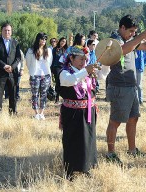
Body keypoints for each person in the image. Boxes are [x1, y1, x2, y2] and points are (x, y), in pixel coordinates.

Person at [105, 14, 146, 164]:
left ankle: (132, 149)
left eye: (135, 32)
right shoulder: (114, 39)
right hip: (119, 86)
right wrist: (139, 37)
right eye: (131, 31)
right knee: (115, 121)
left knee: (133, 118)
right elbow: (122, 50)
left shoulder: (130, 40)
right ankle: (110, 153)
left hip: (131, 86)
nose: (133, 34)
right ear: (122, 27)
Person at [59, 46, 97, 179]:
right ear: (71, 58)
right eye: (80, 59)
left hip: (87, 112)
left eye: (85, 60)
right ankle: (70, 170)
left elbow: (102, 77)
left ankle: (85, 167)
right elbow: (69, 81)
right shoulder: (65, 72)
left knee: (87, 140)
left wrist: (106, 66)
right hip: (72, 114)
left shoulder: (86, 73)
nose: (83, 62)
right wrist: (86, 71)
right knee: (72, 141)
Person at [0, 23, 21, 115]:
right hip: (0, 73)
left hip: (12, 73)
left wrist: (12, 67)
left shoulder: (16, 43)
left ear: (11, 32)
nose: (7, 32)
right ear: (1, 31)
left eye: (9, 30)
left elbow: (18, 57)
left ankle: (12, 113)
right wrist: (4, 66)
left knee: (13, 94)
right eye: (5, 30)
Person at [26, 32, 53, 120]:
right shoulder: (31, 50)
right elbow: (28, 62)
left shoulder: (48, 50)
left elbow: (50, 62)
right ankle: (36, 113)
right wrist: (32, 72)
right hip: (35, 75)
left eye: (45, 39)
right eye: (42, 39)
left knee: (44, 94)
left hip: (45, 75)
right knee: (35, 94)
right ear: (38, 39)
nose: (44, 41)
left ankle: (42, 112)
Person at [51, 37, 68, 103]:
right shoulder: (55, 49)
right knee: (58, 82)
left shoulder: (66, 50)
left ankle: (64, 97)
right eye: (62, 41)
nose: (63, 43)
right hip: (57, 67)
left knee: (64, 82)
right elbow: (52, 59)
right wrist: (51, 69)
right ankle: (57, 97)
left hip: (64, 67)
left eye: (64, 42)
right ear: (59, 41)